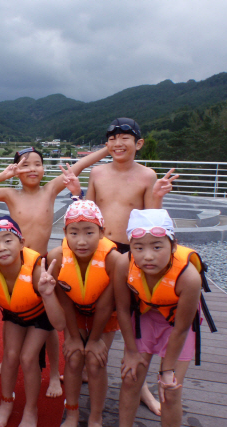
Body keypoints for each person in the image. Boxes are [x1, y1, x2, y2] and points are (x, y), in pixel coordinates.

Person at [0, 145, 109, 396]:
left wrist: (107, 149)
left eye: (37, 163)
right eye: (24, 164)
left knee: (48, 323)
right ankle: (7, 361)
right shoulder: (10, 194)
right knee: (12, 312)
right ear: (16, 169)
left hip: (42, 265)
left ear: (44, 168)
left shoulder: (50, 189)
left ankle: (54, 373)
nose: (32, 169)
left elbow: (81, 165)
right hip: (13, 265)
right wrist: (4, 175)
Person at [86, 117, 179, 414]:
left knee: (132, 317)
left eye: (125, 137)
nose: (118, 143)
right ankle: (92, 364)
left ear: (138, 143)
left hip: (132, 253)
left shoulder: (146, 176)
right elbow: (86, 213)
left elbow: (152, 222)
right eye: (112, 138)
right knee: (97, 309)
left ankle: (141, 388)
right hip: (101, 251)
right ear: (106, 144)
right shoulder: (97, 173)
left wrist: (159, 198)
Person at [113, 209, 215, 427]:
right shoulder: (123, 264)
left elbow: (181, 329)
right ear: (130, 247)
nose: (147, 256)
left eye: (157, 247)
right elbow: (122, 309)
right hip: (145, 317)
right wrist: (131, 352)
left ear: (173, 245)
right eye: (138, 248)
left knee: (169, 390)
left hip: (178, 326)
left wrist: (166, 371)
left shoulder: (188, 277)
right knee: (130, 379)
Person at [0, 216, 65, 427]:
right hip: (14, 314)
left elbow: (60, 325)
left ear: (22, 242)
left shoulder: (37, 271)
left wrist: (48, 294)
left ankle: (31, 409)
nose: (1, 247)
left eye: (8, 240)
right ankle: (6, 402)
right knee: (10, 357)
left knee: (28, 358)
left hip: (41, 314)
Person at [45, 201, 120, 427]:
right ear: (65, 233)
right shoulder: (56, 257)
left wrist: (95, 339)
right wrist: (73, 337)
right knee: (74, 358)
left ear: (102, 232)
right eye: (73, 233)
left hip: (104, 314)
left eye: (89, 232)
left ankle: (96, 418)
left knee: (96, 362)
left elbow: (107, 306)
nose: (81, 241)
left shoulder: (114, 259)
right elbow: (65, 301)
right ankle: (72, 414)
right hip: (75, 311)